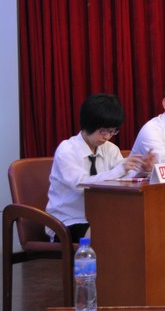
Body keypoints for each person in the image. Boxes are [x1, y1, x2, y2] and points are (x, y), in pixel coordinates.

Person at [46, 93, 155, 241]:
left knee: (137, 225)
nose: (107, 136)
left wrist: (142, 170)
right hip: (68, 221)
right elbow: (81, 184)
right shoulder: (67, 150)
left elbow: (121, 180)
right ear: (88, 123)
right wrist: (119, 170)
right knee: (107, 234)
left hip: (102, 217)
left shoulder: (110, 149)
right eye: (103, 130)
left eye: (113, 131)